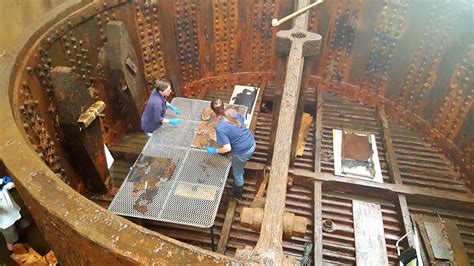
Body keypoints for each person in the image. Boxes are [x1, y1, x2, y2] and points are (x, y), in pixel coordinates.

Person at [206, 98, 256, 200]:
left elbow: (227, 148)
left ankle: (238, 194)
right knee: (239, 168)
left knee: (237, 172)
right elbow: (241, 121)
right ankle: (238, 180)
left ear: (213, 111)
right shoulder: (231, 112)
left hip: (243, 151)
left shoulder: (220, 126)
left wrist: (214, 150)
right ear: (224, 106)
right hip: (251, 141)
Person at [0, 176, 29, 251]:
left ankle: (23, 241)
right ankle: (14, 251)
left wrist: (9, 182)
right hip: (6, 222)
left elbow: (10, 185)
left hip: (15, 212)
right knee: (12, 239)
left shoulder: (1, 184)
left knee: (24, 224)